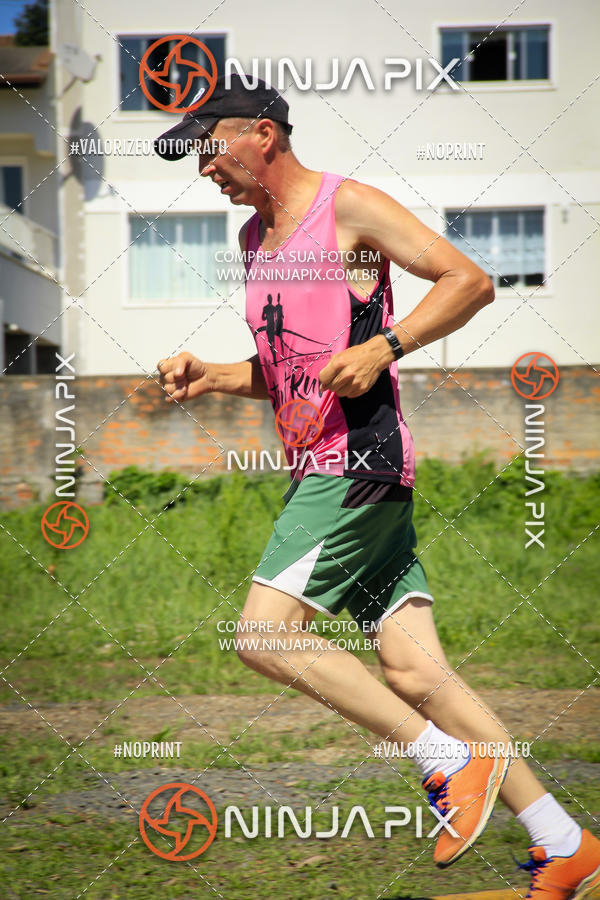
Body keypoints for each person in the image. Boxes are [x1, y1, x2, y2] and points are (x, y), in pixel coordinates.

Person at [155, 74, 600, 895]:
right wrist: (214, 375)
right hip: (326, 473)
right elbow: (293, 368)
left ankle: (443, 766)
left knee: (265, 636)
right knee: (417, 675)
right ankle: (564, 839)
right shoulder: (256, 242)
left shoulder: (347, 208)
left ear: (263, 134)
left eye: (207, 148)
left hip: (354, 461)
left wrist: (387, 346)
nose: (201, 169)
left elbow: (468, 281)